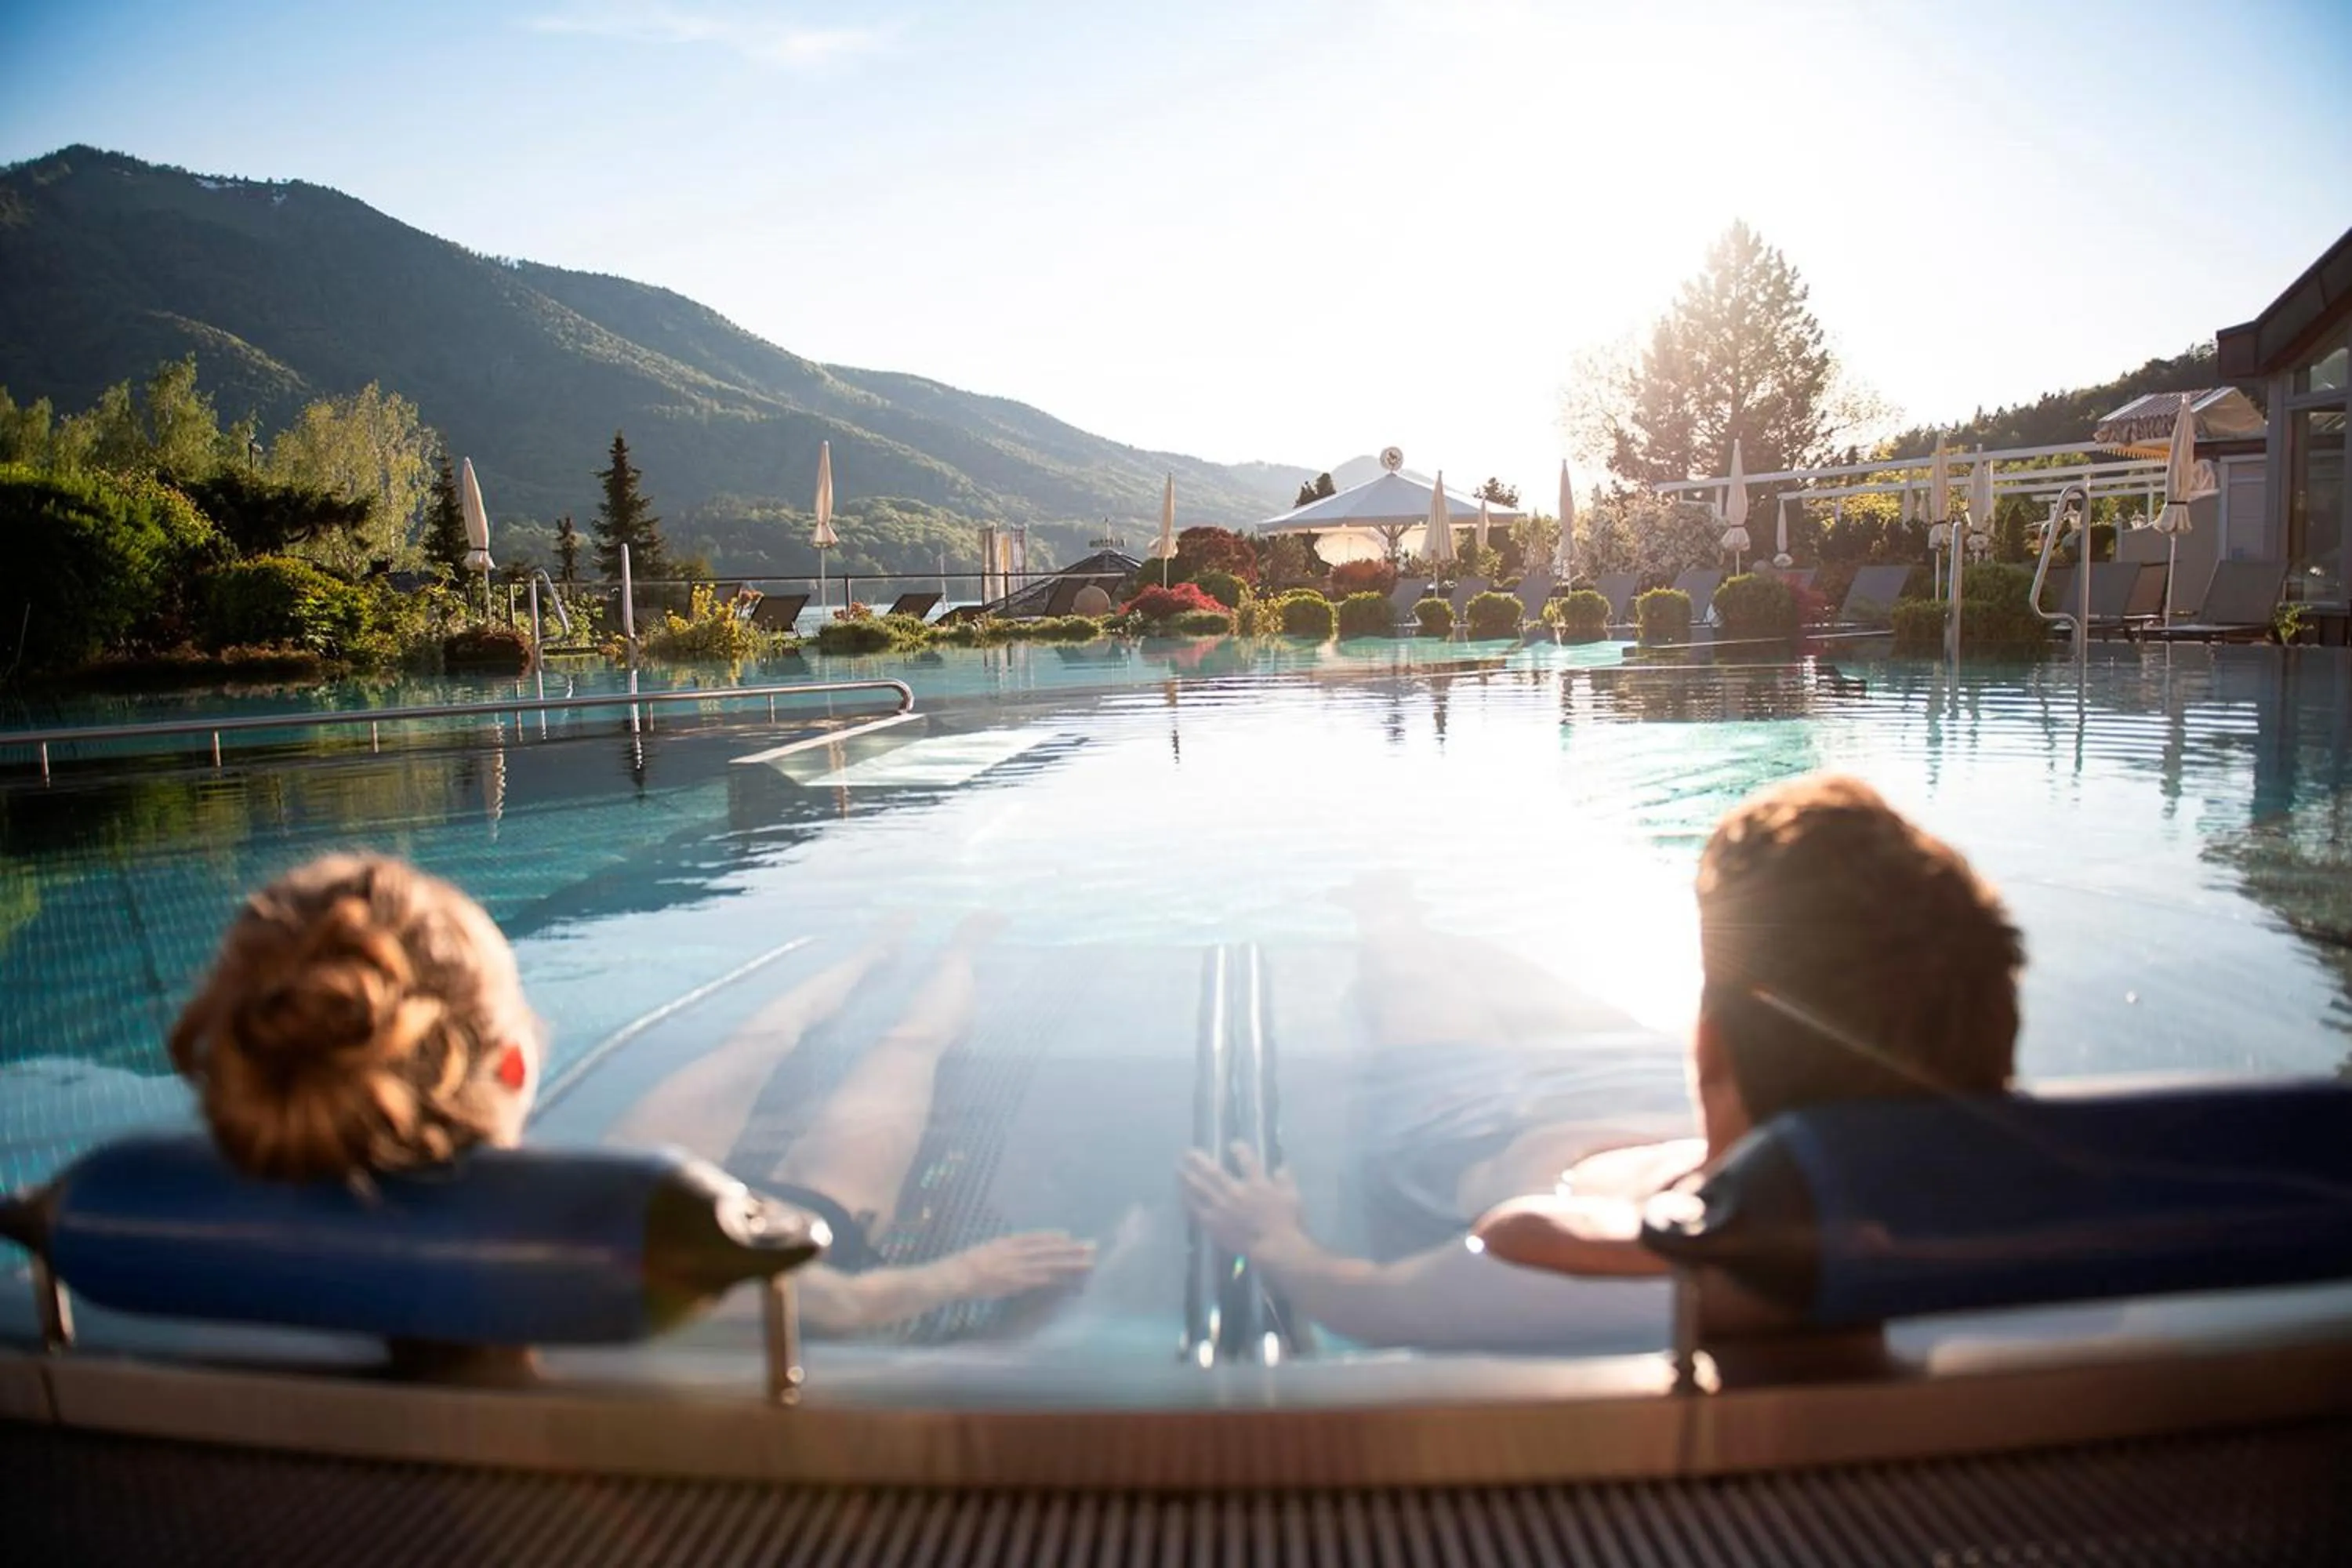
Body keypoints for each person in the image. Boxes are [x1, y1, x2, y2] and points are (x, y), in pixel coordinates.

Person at [1178, 773, 2024, 1348]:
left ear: (1709, 1044)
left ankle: (1389, 916)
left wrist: (1274, 1236)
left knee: (1413, 982)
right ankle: (1412, 928)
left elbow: (1360, 1300)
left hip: (1467, 1134)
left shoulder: (1555, 1261)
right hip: (1631, 1104)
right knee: (1481, 983)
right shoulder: (2028, 1224)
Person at [169, 855, 1094, 1342]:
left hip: (635, 1201)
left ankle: (867, 954)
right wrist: (964, 1274)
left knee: (755, 1045)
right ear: (515, 1065)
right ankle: (954, 949)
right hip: (778, 1229)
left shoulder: (176, 1230)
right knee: (906, 1049)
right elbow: (839, 1306)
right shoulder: (574, 1239)